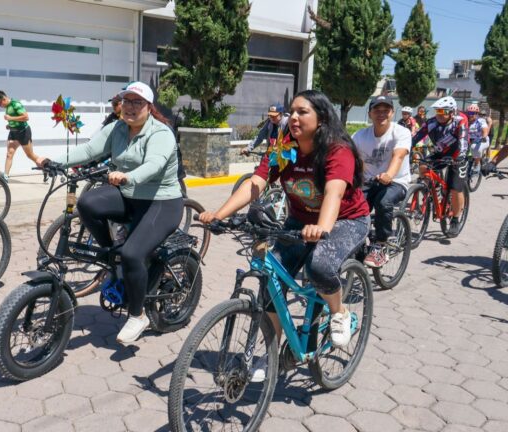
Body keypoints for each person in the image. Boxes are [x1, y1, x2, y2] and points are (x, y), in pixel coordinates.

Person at [200, 90, 370, 377]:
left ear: (322, 118)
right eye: (292, 111)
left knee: (320, 267)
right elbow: (256, 182)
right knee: (271, 280)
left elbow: (334, 191)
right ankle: (269, 355)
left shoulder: (336, 149)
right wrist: (220, 214)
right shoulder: (284, 147)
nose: (294, 117)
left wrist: (323, 227)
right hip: (300, 221)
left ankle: (339, 312)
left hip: (345, 220)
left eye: (303, 112)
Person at [36, 81, 183, 344]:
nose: (130, 107)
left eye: (137, 102)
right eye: (126, 101)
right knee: (87, 203)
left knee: (132, 253)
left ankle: (137, 315)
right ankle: (112, 257)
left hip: (161, 202)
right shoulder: (117, 128)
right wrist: (56, 161)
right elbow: (90, 150)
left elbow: (154, 164)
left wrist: (128, 177)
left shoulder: (161, 133)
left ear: (149, 107)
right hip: (129, 196)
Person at [353, 96, 411, 267]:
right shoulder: (360, 135)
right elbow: (351, 158)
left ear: (392, 113)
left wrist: (389, 174)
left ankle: (381, 245)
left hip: (396, 181)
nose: (381, 114)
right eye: (377, 110)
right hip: (369, 181)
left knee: (383, 202)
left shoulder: (401, 132)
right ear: (370, 113)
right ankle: (357, 241)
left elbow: (398, 155)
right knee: (352, 206)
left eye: (386, 110)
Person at [411, 96, 469, 237]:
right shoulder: (431, 122)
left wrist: (460, 156)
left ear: (452, 112)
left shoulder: (460, 120)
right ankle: (432, 188)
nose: (440, 115)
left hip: (457, 156)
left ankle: (455, 219)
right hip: (439, 153)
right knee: (423, 167)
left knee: (455, 189)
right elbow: (416, 137)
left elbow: (463, 140)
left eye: (443, 112)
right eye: (437, 112)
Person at [0, 90, 40, 180]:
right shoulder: (7, 107)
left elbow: (26, 117)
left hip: (23, 132)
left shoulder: (15, 104)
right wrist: (9, 125)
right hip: (13, 133)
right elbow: (15, 120)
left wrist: (11, 118)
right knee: (9, 154)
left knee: (30, 155)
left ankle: (45, 166)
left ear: (4, 99)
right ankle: (5, 177)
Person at [465, 103, 489, 172]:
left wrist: (484, 137)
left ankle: (476, 165)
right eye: (469, 112)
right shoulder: (466, 120)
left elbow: (485, 129)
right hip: (470, 140)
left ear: (477, 114)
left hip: (482, 140)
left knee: (474, 148)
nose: (470, 115)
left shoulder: (480, 121)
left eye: (472, 113)